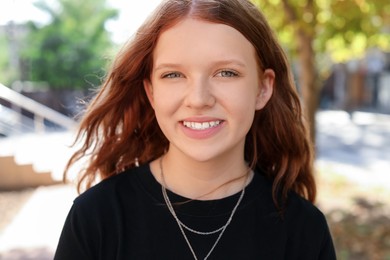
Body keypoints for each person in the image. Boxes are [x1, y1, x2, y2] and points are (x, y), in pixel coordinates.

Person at [54, 0, 336, 259]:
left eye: (226, 73)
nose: (199, 99)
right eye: (173, 74)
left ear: (263, 88)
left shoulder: (305, 230)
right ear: (152, 93)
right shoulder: (96, 218)